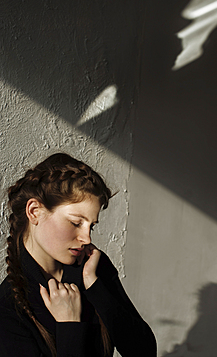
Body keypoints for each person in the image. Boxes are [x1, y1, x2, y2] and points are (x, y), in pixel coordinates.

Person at [0, 153, 157, 357]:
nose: (86, 238)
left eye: (91, 226)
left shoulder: (93, 267)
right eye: (76, 223)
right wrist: (70, 326)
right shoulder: (9, 309)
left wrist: (96, 288)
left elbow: (143, 351)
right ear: (34, 211)